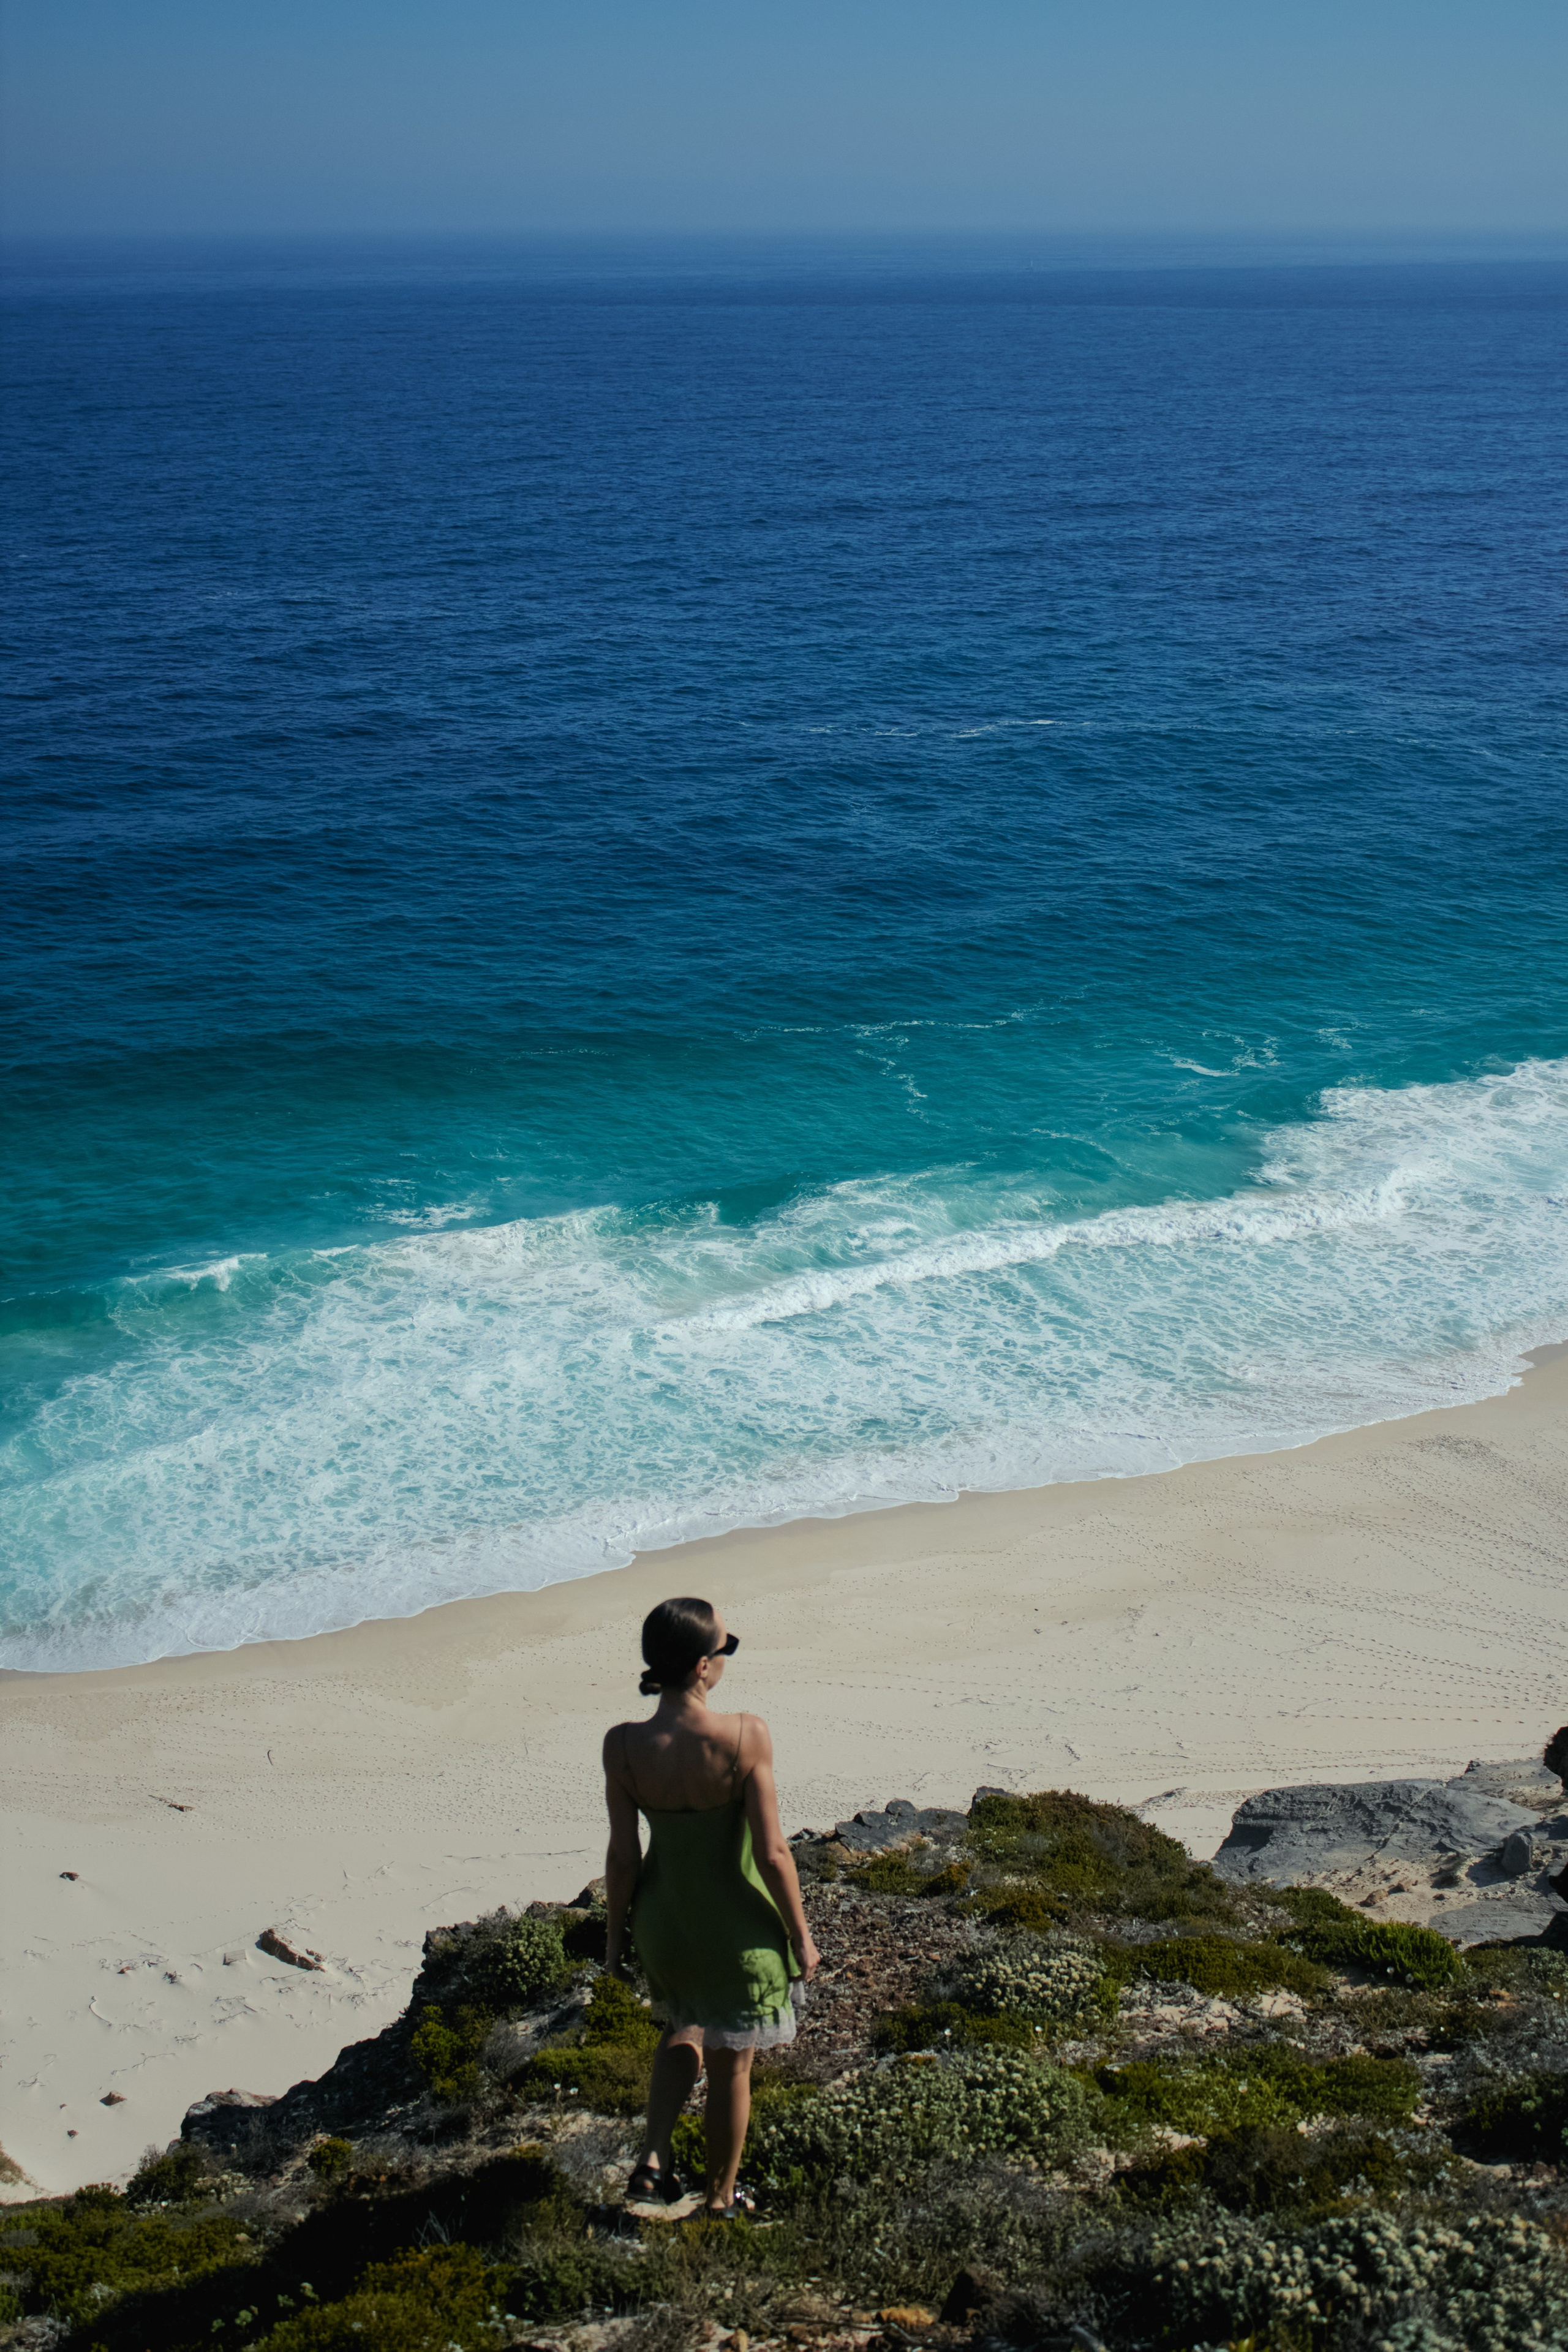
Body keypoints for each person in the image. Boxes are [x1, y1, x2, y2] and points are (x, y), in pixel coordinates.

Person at [602, 1596, 820, 2218]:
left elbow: (622, 1859)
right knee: (731, 2064)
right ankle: (720, 2200)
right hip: (736, 1928)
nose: (726, 1657)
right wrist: (801, 1939)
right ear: (703, 1667)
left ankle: (652, 2159)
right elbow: (774, 1853)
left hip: (665, 1924)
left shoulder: (621, 1747)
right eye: (725, 1648)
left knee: (681, 2026)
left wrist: (616, 1945)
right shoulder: (745, 1735)